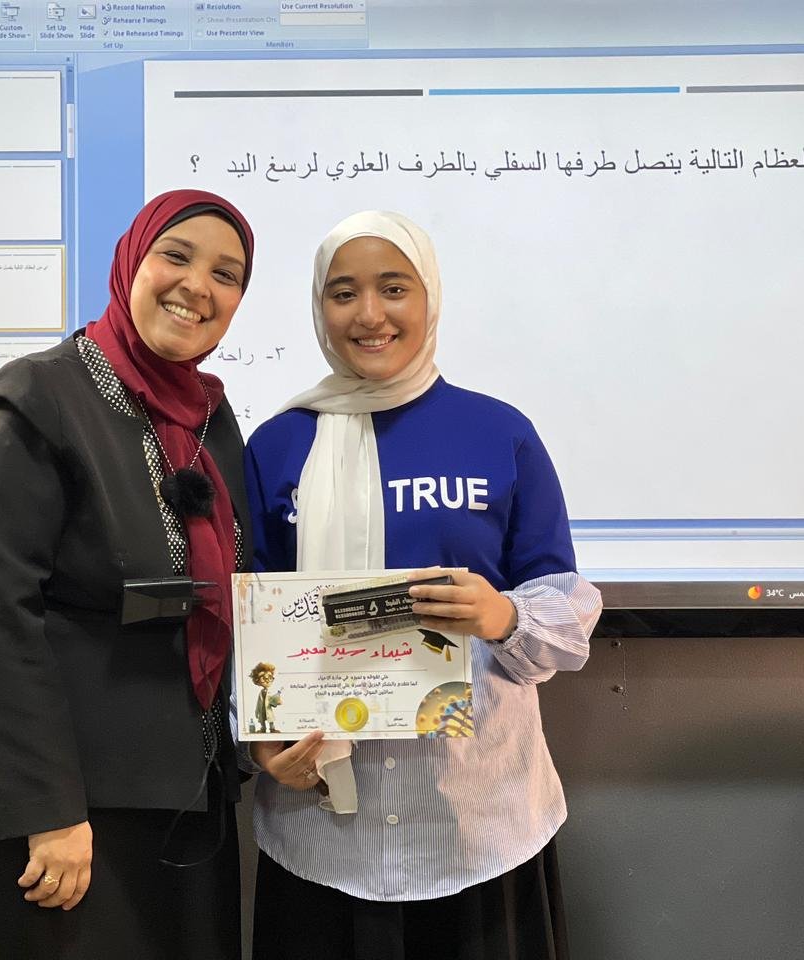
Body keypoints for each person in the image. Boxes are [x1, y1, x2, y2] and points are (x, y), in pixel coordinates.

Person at [242, 210, 602, 960]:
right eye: (344, 293)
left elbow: (564, 609)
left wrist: (501, 614)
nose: (370, 314)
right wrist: (264, 748)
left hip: (479, 828)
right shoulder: (278, 445)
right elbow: (247, 628)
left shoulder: (500, 433)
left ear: (429, 298)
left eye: (393, 288)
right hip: (324, 838)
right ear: (319, 308)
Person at [0, 189, 255, 959]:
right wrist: (49, 810)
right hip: (63, 818)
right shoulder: (35, 396)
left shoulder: (210, 417)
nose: (197, 286)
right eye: (175, 256)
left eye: (227, 274)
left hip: (181, 797)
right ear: (132, 260)